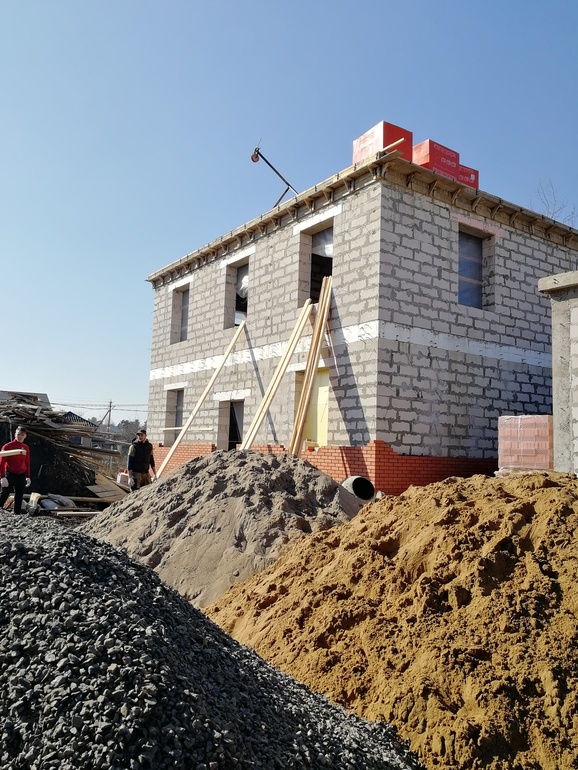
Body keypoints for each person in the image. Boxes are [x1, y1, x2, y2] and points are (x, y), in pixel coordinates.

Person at [0, 425, 32, 514]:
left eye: (22, 435)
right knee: (5, 493)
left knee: (19, 495)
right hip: (10, 473)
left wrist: (28, 476)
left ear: (25, 436)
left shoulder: (25, 447)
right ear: (15, 434)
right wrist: (2, 477)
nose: (20, 436)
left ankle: (16, 512)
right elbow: (1, 463)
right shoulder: (7, 447)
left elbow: (27, 462)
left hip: (21, 474)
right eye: (18, 434)